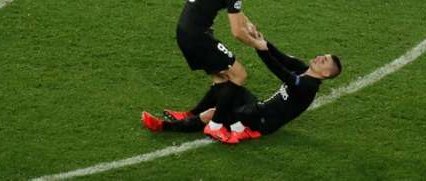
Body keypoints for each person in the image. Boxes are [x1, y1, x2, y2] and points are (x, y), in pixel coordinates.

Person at [142, 36, 342, 144]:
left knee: (214, 114)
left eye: (323, 60)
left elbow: (280, 71)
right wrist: (260, 40)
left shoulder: (308, 86)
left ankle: (163, 127)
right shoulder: (304, 70)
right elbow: (282, 58)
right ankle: (187, 114)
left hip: (262, 122)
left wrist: (261, 49)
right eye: (321, 55)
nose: (318, 57)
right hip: (259, 109)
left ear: (325, 74)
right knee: (226, 84)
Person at [155, 0, 265, 143]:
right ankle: (215, 126)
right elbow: (236, 32)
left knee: (222, 79)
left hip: (185, 32)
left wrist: (248, 23)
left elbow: (234, 12)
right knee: (239, 74)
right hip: (198, 37)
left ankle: (193, 115)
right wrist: (257, 44)